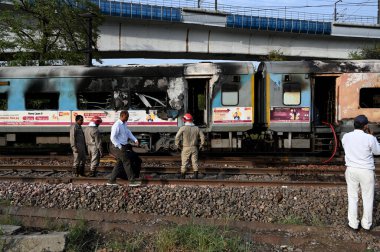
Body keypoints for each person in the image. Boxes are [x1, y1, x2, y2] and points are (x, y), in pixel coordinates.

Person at [342, 114, 380, 231]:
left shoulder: (346, 137)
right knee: (368, 198)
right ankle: (366, 225)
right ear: (366, 126)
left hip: (351, 170)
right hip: (366, 171)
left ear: (354, 124)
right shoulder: (370, 138)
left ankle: (353, 224)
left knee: (352, 197)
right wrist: (371, 136)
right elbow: (377, 152)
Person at [108, 110, 140, 186]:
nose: (127, 118)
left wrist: (135, 139)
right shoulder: (117, 125)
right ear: (122, 116)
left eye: (128, 117)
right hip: (120, 147)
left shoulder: (124, 124)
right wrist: (119, 146)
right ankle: (132, 181)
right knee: (127, 162)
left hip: (123, 146)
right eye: (126, 117)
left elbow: (128, 132)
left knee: (119, 163)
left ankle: (111, 180)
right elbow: (112, 137)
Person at [175, 113, 205, 179]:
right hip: (194, 147)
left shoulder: (183, 128)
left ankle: (183, 177)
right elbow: (202, 136)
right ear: (192, 120)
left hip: (185, 147)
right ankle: (195, 177)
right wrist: (201, 145)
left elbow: (177, 137)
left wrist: (178, 145)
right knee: (195, 162)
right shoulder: (197, 128)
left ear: (185, 120)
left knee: (184, 163)